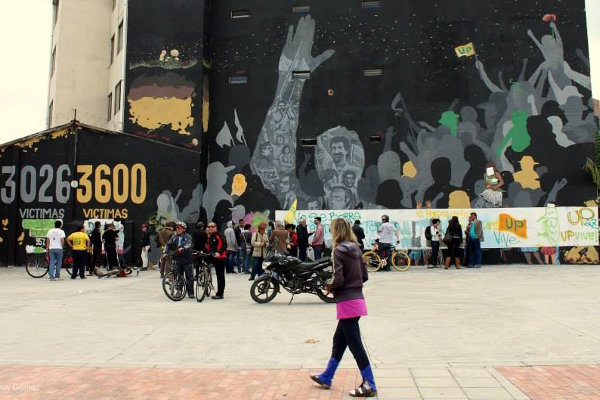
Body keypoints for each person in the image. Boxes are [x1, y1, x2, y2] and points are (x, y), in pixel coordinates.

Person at [310, 218, 377, 398]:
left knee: (355, 344)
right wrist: (352, 284)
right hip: (357, 300)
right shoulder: (356, 248)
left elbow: (339, 278)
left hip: (347, 303)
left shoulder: (338, 251)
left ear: (335, 231)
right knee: (339, 340)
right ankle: (327, 376)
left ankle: (369, 383)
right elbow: (364, 276)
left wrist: (330, 286)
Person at [163, 221, 194, 298]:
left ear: (184, 229)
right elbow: (168, 244)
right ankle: (179, 291)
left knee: (189, 277)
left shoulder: (188, 236)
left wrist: (183, 248)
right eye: (177, 228)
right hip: (178, 259)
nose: (178, 229)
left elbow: (189, 244)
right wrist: (165, 252)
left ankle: (190, 292)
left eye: (180, 228)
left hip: (187, 259)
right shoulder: (174, 237)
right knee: (179, 276)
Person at [206, 221, 227, 299]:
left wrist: (219, 252)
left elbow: (225, 245)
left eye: (212, 226)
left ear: (216, 227)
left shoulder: (220, 235)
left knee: (220, 276)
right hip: (212, 256)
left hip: (220, 257)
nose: (210, 228)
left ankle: (220, 294)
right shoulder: (210, 236)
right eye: (209, 227)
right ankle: (204, 280)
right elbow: (209, 247)